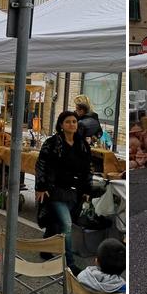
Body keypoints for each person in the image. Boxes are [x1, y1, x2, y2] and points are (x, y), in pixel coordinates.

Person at [35, 111, 93, 275]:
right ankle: (70, 264)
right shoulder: (52, 143)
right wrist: (41, 186)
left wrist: (87, 189)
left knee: (57, 222)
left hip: (74, 191)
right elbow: (41, 164)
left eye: (74, 121)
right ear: (61, 125)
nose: (72, 125)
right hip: (55, 190)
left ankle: (45, 249)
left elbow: (88, 168)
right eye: (68, 122)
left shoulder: (82, 144)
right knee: (66, 225)